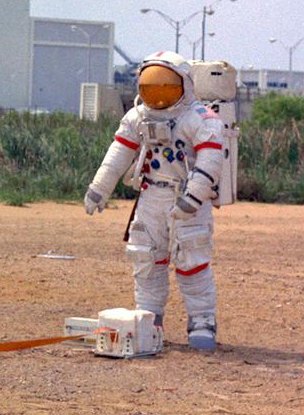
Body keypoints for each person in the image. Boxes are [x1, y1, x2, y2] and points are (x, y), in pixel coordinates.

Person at [84, 50, 224, 350]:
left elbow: (211, 160)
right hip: (151, 196)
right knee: (145, 257)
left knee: (192, 259)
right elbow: (118, 154)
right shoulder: (138, 116)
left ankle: (202, 321)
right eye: (151, 85)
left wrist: (193, 197)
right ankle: (148, 318)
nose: (158, 93)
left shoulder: (200, 118)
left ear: (184, 84)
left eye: (165, 85)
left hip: (185, 200)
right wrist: (99, 188)